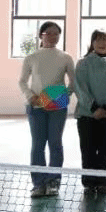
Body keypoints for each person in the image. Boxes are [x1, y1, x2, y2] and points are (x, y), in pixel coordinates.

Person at [18, 21, 76, 198]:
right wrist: (31, 96)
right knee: (38, 145)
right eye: (48, 33)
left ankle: (53, 182)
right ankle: (38, 184)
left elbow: (73, 82)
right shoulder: (31, 57)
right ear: (41, 36)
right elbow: (22, 81)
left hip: (57, 107)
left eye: (56, 33)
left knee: (55, 144)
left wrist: (62, 97)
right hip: (36, 106)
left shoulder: (65, 57)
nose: (52, 36)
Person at [74, 29, 106, 195]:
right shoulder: (83, 63)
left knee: (105, 150)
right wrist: (93, 108)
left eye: (105, 39)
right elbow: (80, 88)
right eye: (98, 40)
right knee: (88, 150)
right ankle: (89, 183)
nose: (102, 43)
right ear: (92, 43)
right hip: (87, 115)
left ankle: (103, 183)